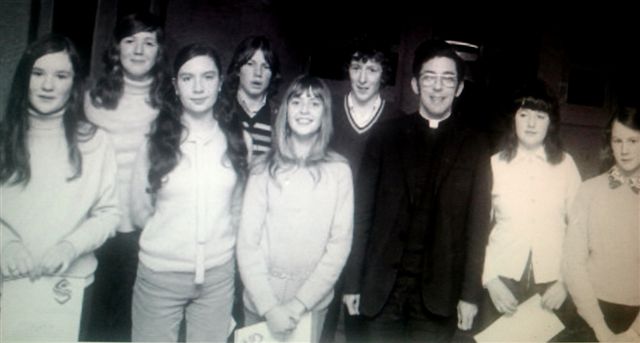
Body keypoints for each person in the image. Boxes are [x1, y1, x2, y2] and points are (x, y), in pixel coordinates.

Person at [342, 39, 492, 342]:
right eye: (429, 77)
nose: (438, 87)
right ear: (414, 84)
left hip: (438, 297)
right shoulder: (385, 137)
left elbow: (478, 228)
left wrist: (470, 295)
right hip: (382, 289)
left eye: (448, 79)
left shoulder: (475, 146)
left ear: (459, 88)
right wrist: (352, 282)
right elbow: (361, 216)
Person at [0, 34, 119, 340]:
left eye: (60, 75)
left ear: (74, 82)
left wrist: (71, 246)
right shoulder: (2, 139)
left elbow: (108, 214)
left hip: (70, 287)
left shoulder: (96, 141)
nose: (48, 85)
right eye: (38, 74)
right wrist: (6, 245)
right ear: (24, 77)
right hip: (7, 283)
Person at [129, 43, 248, 342]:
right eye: (187, 78)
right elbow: (140, 211)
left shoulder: (238, 139)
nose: (198, 87)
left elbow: (238, 207)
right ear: (175, 85)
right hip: (159, 276)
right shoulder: (154, 142)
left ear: (220, 83)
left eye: (207, 77)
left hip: (218, 278)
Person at [237, 74, 353, 343]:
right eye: (296, 101)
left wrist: (298, 304)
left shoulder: (339, 171)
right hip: (260, 303)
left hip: (310, 306)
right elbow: (247, 244)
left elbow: (339, 246)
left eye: (314, 103)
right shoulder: (261, 169)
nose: (304, 110)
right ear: (285, 109)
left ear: (325, 113)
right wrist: (269, 307)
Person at [84, 12, 170, 341]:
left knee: (132, 324)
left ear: (159, 51)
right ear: (116, 48)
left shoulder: (170, 104)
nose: (138, 49)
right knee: (93, 321)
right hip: (95, 226)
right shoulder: (91, 99)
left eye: (149, 42)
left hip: (147, 231)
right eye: (130, 40)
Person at [475, 79, 582, 338]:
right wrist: (490, 281)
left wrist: (566, 283)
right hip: (502, 285)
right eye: (524, 115)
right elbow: (475, 231)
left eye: (540, 116)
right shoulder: (494, 165)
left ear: (551, 122)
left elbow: (582, 231)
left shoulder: (566, 165)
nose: (531, 124)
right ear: (513, 119)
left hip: (552, 289)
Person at [323, 39, 400, 342]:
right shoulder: (328, 109)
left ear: (384, 73)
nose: (363, 77)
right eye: (356, 68)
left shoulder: (395, 118)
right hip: (328, 229)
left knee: (359, 324)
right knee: (321, 317)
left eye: (372, 68)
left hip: (370, 237)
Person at [563, 106, 640, 342]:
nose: (624, 150)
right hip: (590, 313)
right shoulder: (589, 190)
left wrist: (635, 334)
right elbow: (572, 262)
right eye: (617, 140)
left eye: (633, 141)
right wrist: (599, 328)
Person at [220, 35, 281, 159]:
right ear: (237, 69)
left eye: (266, 66)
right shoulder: (219, 108)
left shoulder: (281, 114)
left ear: (273, 74)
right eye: (250, 64)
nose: (258, 73)